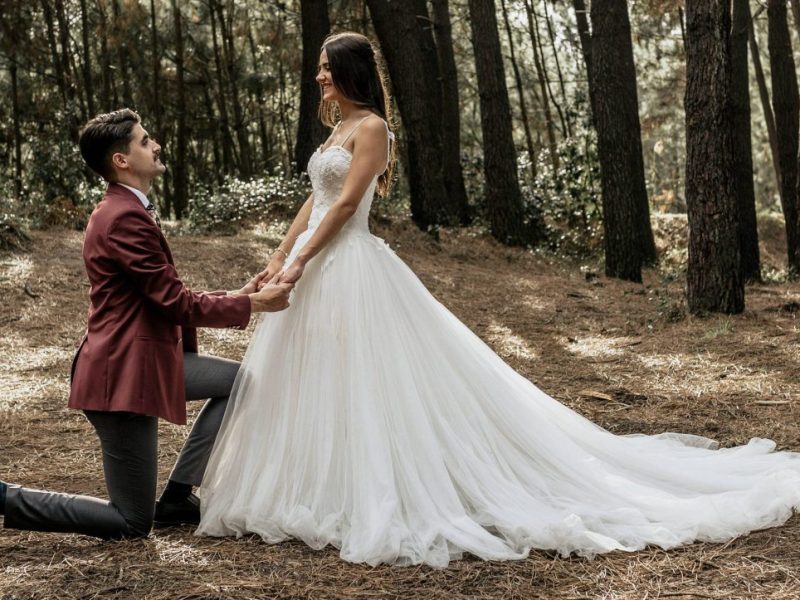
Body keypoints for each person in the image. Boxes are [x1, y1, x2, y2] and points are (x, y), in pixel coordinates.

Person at [197, 32, 800, 567]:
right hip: (313, 266)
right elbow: (315, 201)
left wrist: (301, 261)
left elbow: (350, 205)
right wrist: (278, 257)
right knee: (317, 376)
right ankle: (312, 487)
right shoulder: (336, 128)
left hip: (348, 266)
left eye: (328, 66)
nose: (319, 75)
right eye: (320, 67)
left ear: (350, 71)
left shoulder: (373, 128)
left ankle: (377, 485)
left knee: (366, 378)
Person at [0, 109, 293, 539]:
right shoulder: (122, 217)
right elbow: (175, 301)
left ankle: (177, 494)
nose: (155, 145)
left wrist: (242, 295)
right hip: (121, 377)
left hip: (147, 358)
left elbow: (165, 294)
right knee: (132, 522)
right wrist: (253, 305)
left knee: (242, 382)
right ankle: (5, 497)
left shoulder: (127, 210)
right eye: (144, 140)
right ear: (121, 160)